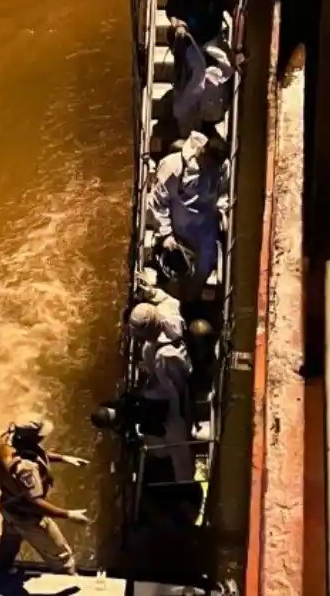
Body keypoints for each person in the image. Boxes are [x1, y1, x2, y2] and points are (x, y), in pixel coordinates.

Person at [0, 415, 91, 575]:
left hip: (10, 508)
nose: (43, 436)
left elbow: (33, 453)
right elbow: (34, 502)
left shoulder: (7, 440)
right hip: (27, 516)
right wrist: (68, 514)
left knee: (10, 541)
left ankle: (1, 571)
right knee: (62, 556)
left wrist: (63, 458)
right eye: (40, 435)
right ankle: (69, 577)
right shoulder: (26, 469)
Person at [146, 130, 230, 299]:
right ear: (202, 152)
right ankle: (170, 300)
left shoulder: (222, 169)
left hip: (205, 231)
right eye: (209, 164)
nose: (211, 168)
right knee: (174, 274)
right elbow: (158, 203)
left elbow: (224, 194)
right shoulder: (173, 167)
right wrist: (166, 234)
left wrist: (222, 208)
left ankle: (190, 303)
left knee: (200, 273)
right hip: (177, 233)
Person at [126, 280, 195, 484]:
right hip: (174, 373)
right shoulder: (169, 313)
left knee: (177, 441)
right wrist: (151, 292)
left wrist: (146, 393)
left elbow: (171, 390)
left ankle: (185, 482)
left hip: (177, 393)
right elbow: (167, 299)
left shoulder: (163, 356)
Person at [165, 0, 240, 136]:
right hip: (190, 41)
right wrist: (179, 25)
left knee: (221, 74)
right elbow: (172, 13)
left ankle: (211, 117)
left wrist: (238, 46)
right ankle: (185, 120)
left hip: (213, 39)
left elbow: (237, 10)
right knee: (195, 82)